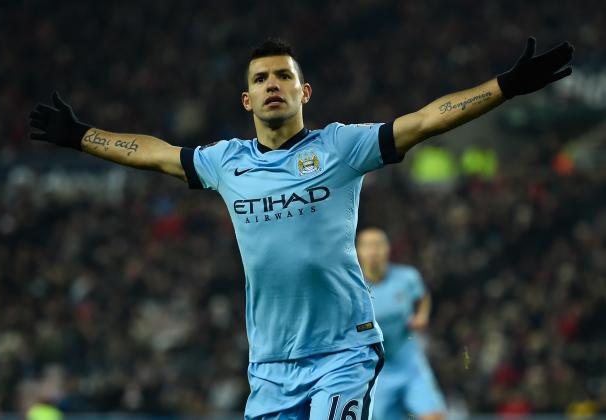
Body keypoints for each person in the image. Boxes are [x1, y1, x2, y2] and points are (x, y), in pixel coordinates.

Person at [28, 37, 573, 419]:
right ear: (247, 99)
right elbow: (154, 153)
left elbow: (426, 120)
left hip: (343, 351)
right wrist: (81, 137)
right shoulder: (226, 162)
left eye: (284, 76)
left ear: (303, 92)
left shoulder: (341, 147)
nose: (273, 84)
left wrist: (503, 87)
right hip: (269, 365)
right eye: (261, 78)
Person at [357, 228, 445, 420]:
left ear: (387, 249)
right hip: (377, 371)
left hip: (410, 363)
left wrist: (422, 316)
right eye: (368, 245)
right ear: (358, 251)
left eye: (378, 245)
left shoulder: (407, 277)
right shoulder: (353, 289)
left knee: (434, 417)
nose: (373, 251)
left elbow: (423, 297)